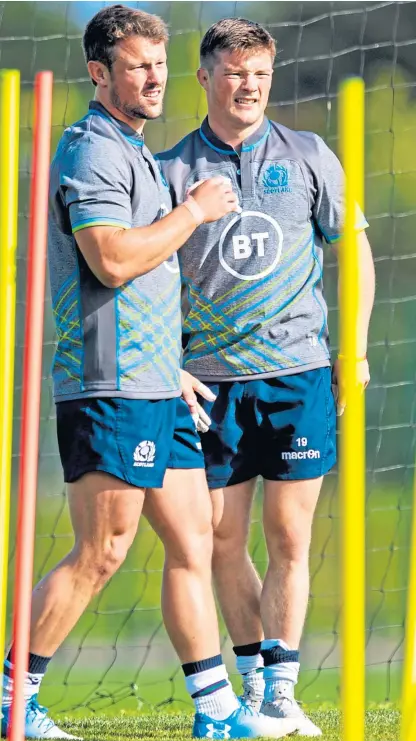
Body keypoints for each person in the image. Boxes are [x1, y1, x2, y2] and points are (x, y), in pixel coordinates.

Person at [0, 7, 299, 741]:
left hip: (156, 382)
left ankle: (218, 711)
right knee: (103, 547)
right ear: (100, 73)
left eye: (160, 63)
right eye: (138, 64)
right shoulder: (90, 150)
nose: (155, 76)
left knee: (196, 539)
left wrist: (171, 364)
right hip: (109, 384)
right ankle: (13, 693)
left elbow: (147, 281)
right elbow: (113, 258)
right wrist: (195, 211)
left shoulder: (134, 148)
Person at [157, 16, 375, 737]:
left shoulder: (309, 153)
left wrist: (358, 347)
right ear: (206, 78)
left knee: (291, 533)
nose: (247, 85)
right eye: (234, 72)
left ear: (269, 77)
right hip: (207, 383)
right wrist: (164, 363)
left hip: (299, 372)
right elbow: (145, 282)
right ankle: (251, 678)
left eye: (259, 73)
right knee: (220, 539)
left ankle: (281, 693)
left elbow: (356, 251)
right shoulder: (171, 170)